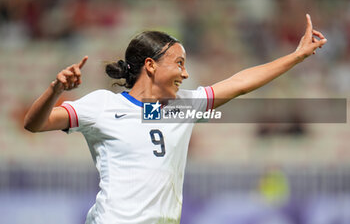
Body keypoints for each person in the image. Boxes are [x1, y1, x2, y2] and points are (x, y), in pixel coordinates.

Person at [24, 14, 326, 224]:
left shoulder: (180, 108)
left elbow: (240, 82)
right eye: (179, 63)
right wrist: (55, 89)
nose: (185, 73)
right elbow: (34, 124)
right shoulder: (102, 106)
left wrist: (296, 56)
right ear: (151, 65)